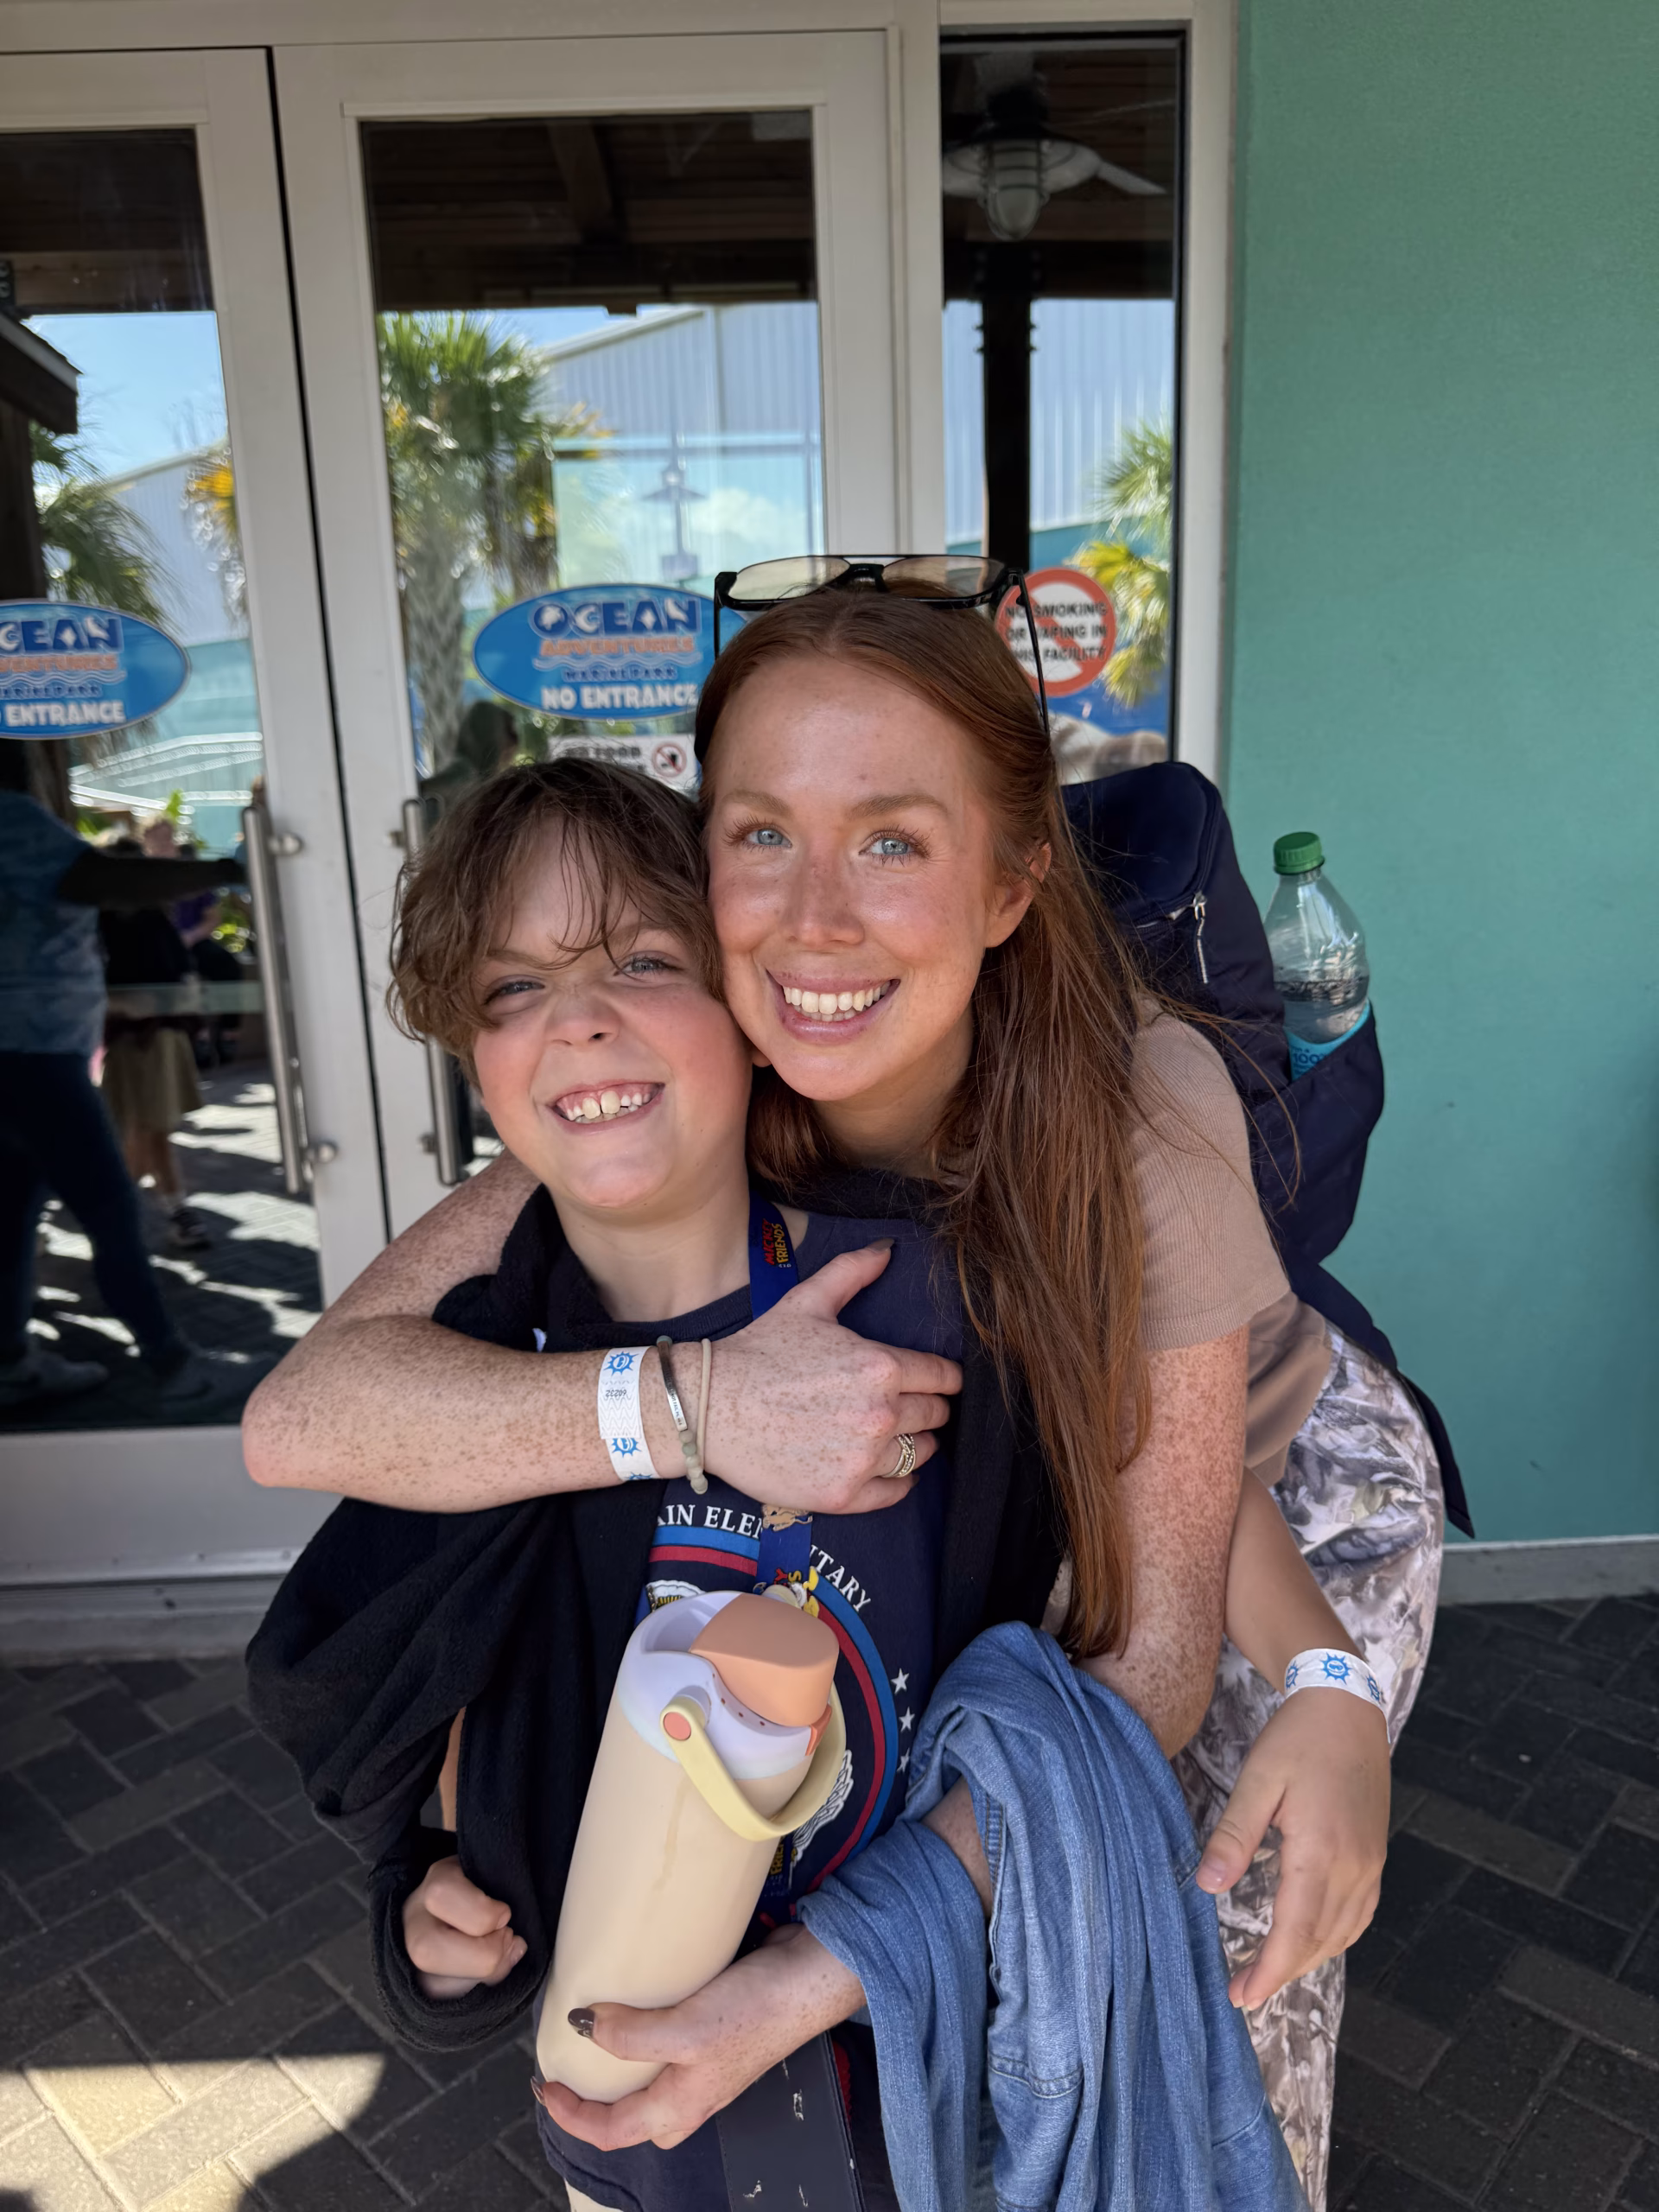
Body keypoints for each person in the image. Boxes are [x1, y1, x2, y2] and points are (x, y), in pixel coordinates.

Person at [245, 589, 1442, 2208]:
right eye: (762, 835)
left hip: (1279, 1484)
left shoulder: (1128, 1114)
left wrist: (1329, 1677)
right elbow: (305, 1413)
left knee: (1176, 1995)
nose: (813, 921)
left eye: (891, 841)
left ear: (1012, 881)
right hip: (1029, 1465)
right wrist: (693, 1405)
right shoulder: (700, 1060)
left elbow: (1151, 1633)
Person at [0, 743, 245, 1409]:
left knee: (14, 1216)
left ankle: (12, 1364)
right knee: (111, 1213)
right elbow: (104, 880)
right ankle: (174, 1368)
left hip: (25, 1057)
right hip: (36, 1059)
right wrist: (231, 867)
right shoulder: (13, 818)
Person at [99, 830, 212, 1255]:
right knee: (145, 1131)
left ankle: (141, 1216)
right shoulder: (111, 921)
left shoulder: (142, 919)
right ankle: (155, 1213)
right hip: (139, 1041)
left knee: (148, 1131)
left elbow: (179, 976)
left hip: (154, 1038)